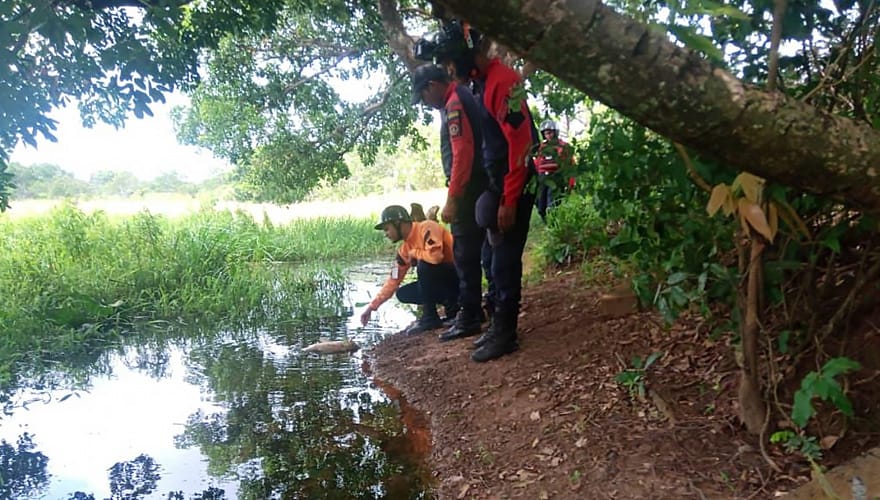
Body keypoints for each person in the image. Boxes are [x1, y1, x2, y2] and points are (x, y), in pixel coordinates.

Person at [426, 20, 539, 362]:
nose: (447, 70)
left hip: (514, 186)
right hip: (499, 185)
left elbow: (521, 144)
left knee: (503, 261)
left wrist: (508, 199)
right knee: (491, 258)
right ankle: (497, 325)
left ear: (461, 56)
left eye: (448, 62)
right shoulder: (479, 84)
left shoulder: (502, 83)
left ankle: (506, 333)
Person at [410, 63, 488, 343]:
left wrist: (452, 199)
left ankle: (469, 315)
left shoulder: (455, 102)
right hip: (477, 185)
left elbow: (463, 155)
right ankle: (476, 308)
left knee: (465, 253)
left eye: (423, 97)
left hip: (469, 188)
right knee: (481, 250)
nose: (425, 104)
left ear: (432, 85)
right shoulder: (461, 96)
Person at [359, 205, 459, 335]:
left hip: (458, 277)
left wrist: (415, 253)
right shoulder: (404, 250)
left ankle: (433, 316)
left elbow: (436, 257)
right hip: (445, 283)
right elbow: (393, 280)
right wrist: (372, 307)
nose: (386, 234)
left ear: (398, 223)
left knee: (425, 264)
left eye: (387, 229)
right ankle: (448, 307)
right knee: (403, 293)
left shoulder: (427, 227)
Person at [533, 119, 576, 221]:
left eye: (551, 132)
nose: (549, 135)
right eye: (546, 133)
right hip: (543, 179)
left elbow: (571, 164)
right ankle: (548, 224)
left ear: (555, 132)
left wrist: (571, 182)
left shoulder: (563, 146)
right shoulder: (541, 148)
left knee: (551, 206)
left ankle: (554, 226)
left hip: (556, 178)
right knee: (541, 207)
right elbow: (537, 164)